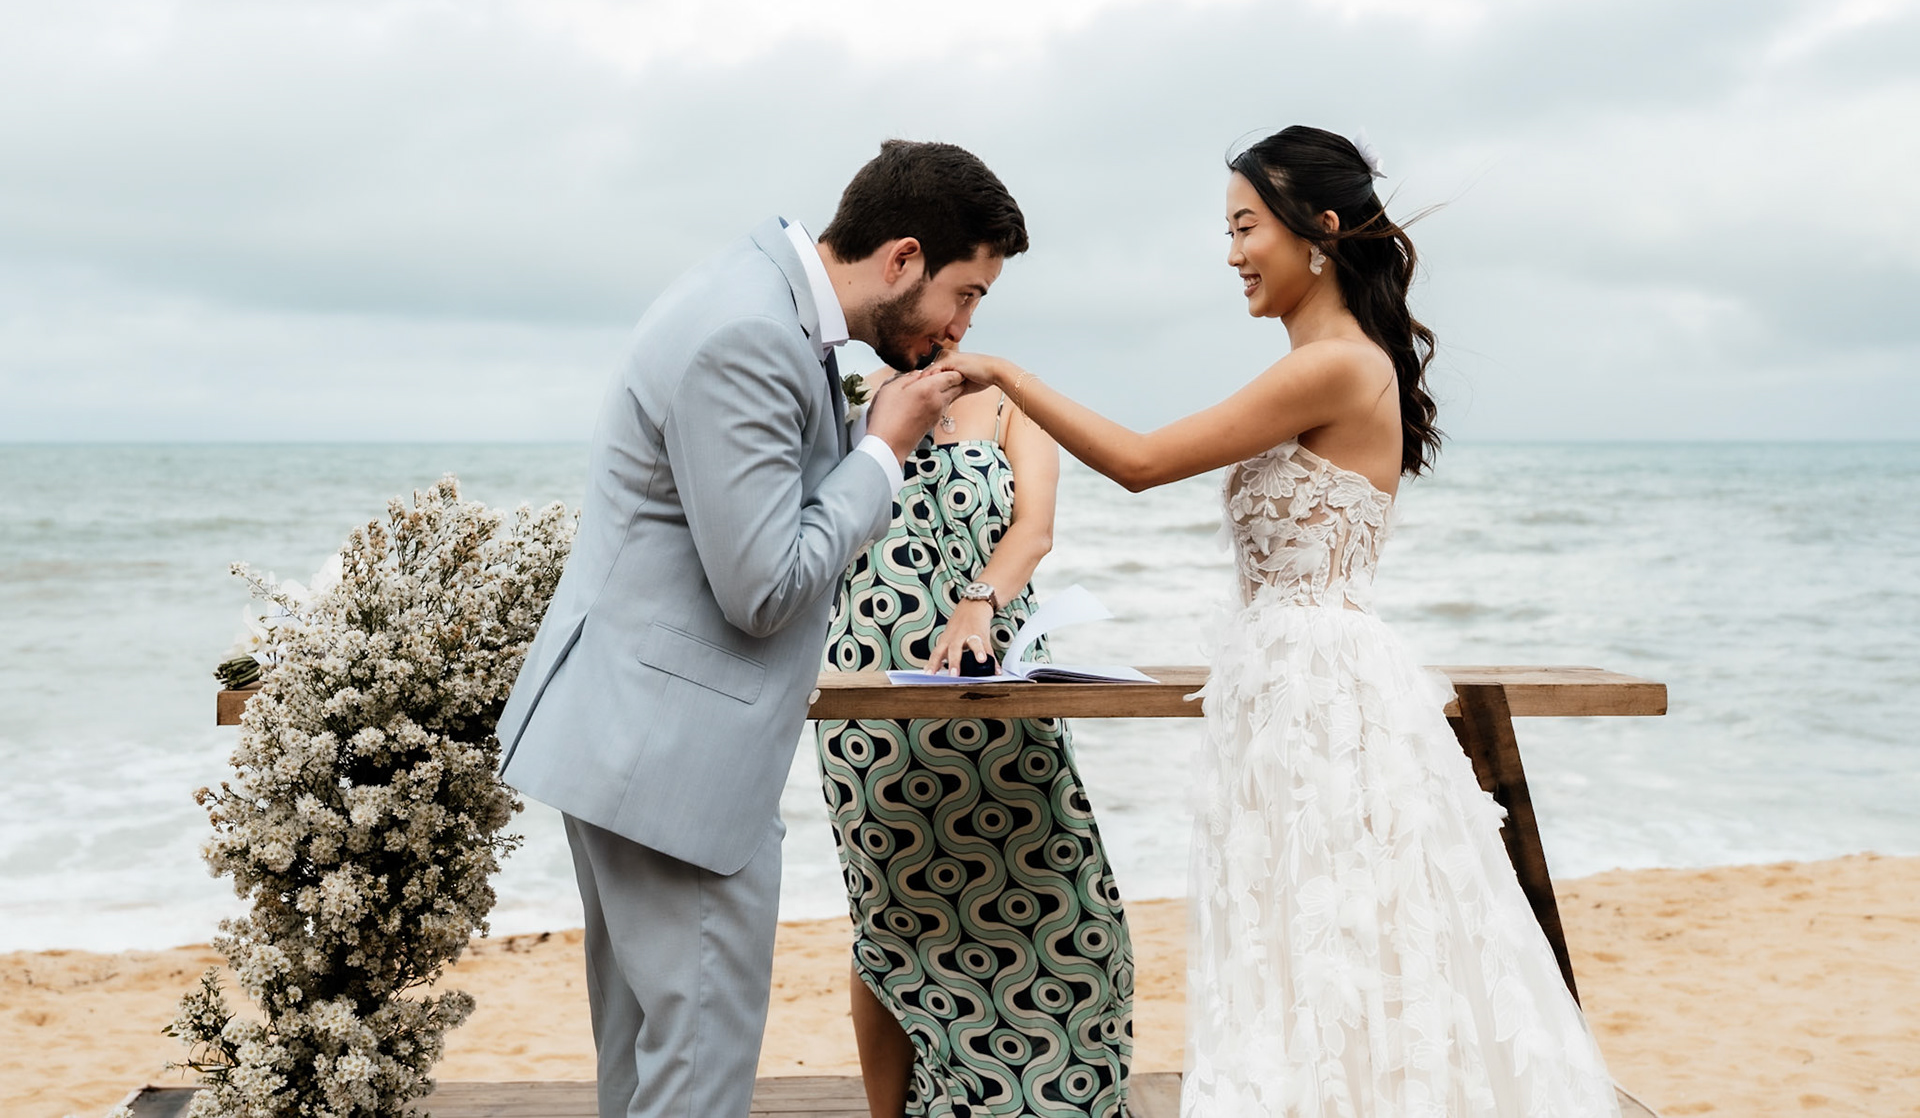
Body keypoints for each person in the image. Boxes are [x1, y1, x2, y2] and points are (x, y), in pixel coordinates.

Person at [941, 127, 1621, 1115]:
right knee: (1310, 939)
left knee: (1325, 935)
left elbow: (1139, 461)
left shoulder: (1333, 366)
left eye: (1245, 225)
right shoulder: (1339, 362)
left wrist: (1006, 375)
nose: (1231, 254)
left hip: (1318, 689)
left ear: (1322, 231)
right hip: (1289, 680)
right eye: (1228, 229)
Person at [495, 140, 1028, 1118]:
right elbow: (766, 585)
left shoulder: (762, 302)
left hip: (637, 737)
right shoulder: (750, 332)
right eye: (968, 292)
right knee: (694, 1078)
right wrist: (883, 449)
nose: (963, 324)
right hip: (672, 762)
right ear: (903, 257)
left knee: (649, 1070)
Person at [818, 355, 1135, 1118]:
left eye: (974, 300)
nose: (959, 323)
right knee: (891, 920)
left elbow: (1036, 528)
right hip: (870, 686)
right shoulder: (844, 401)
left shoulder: (1008, 402)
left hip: (996, 675)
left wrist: (979, 601)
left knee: (1072, 907)